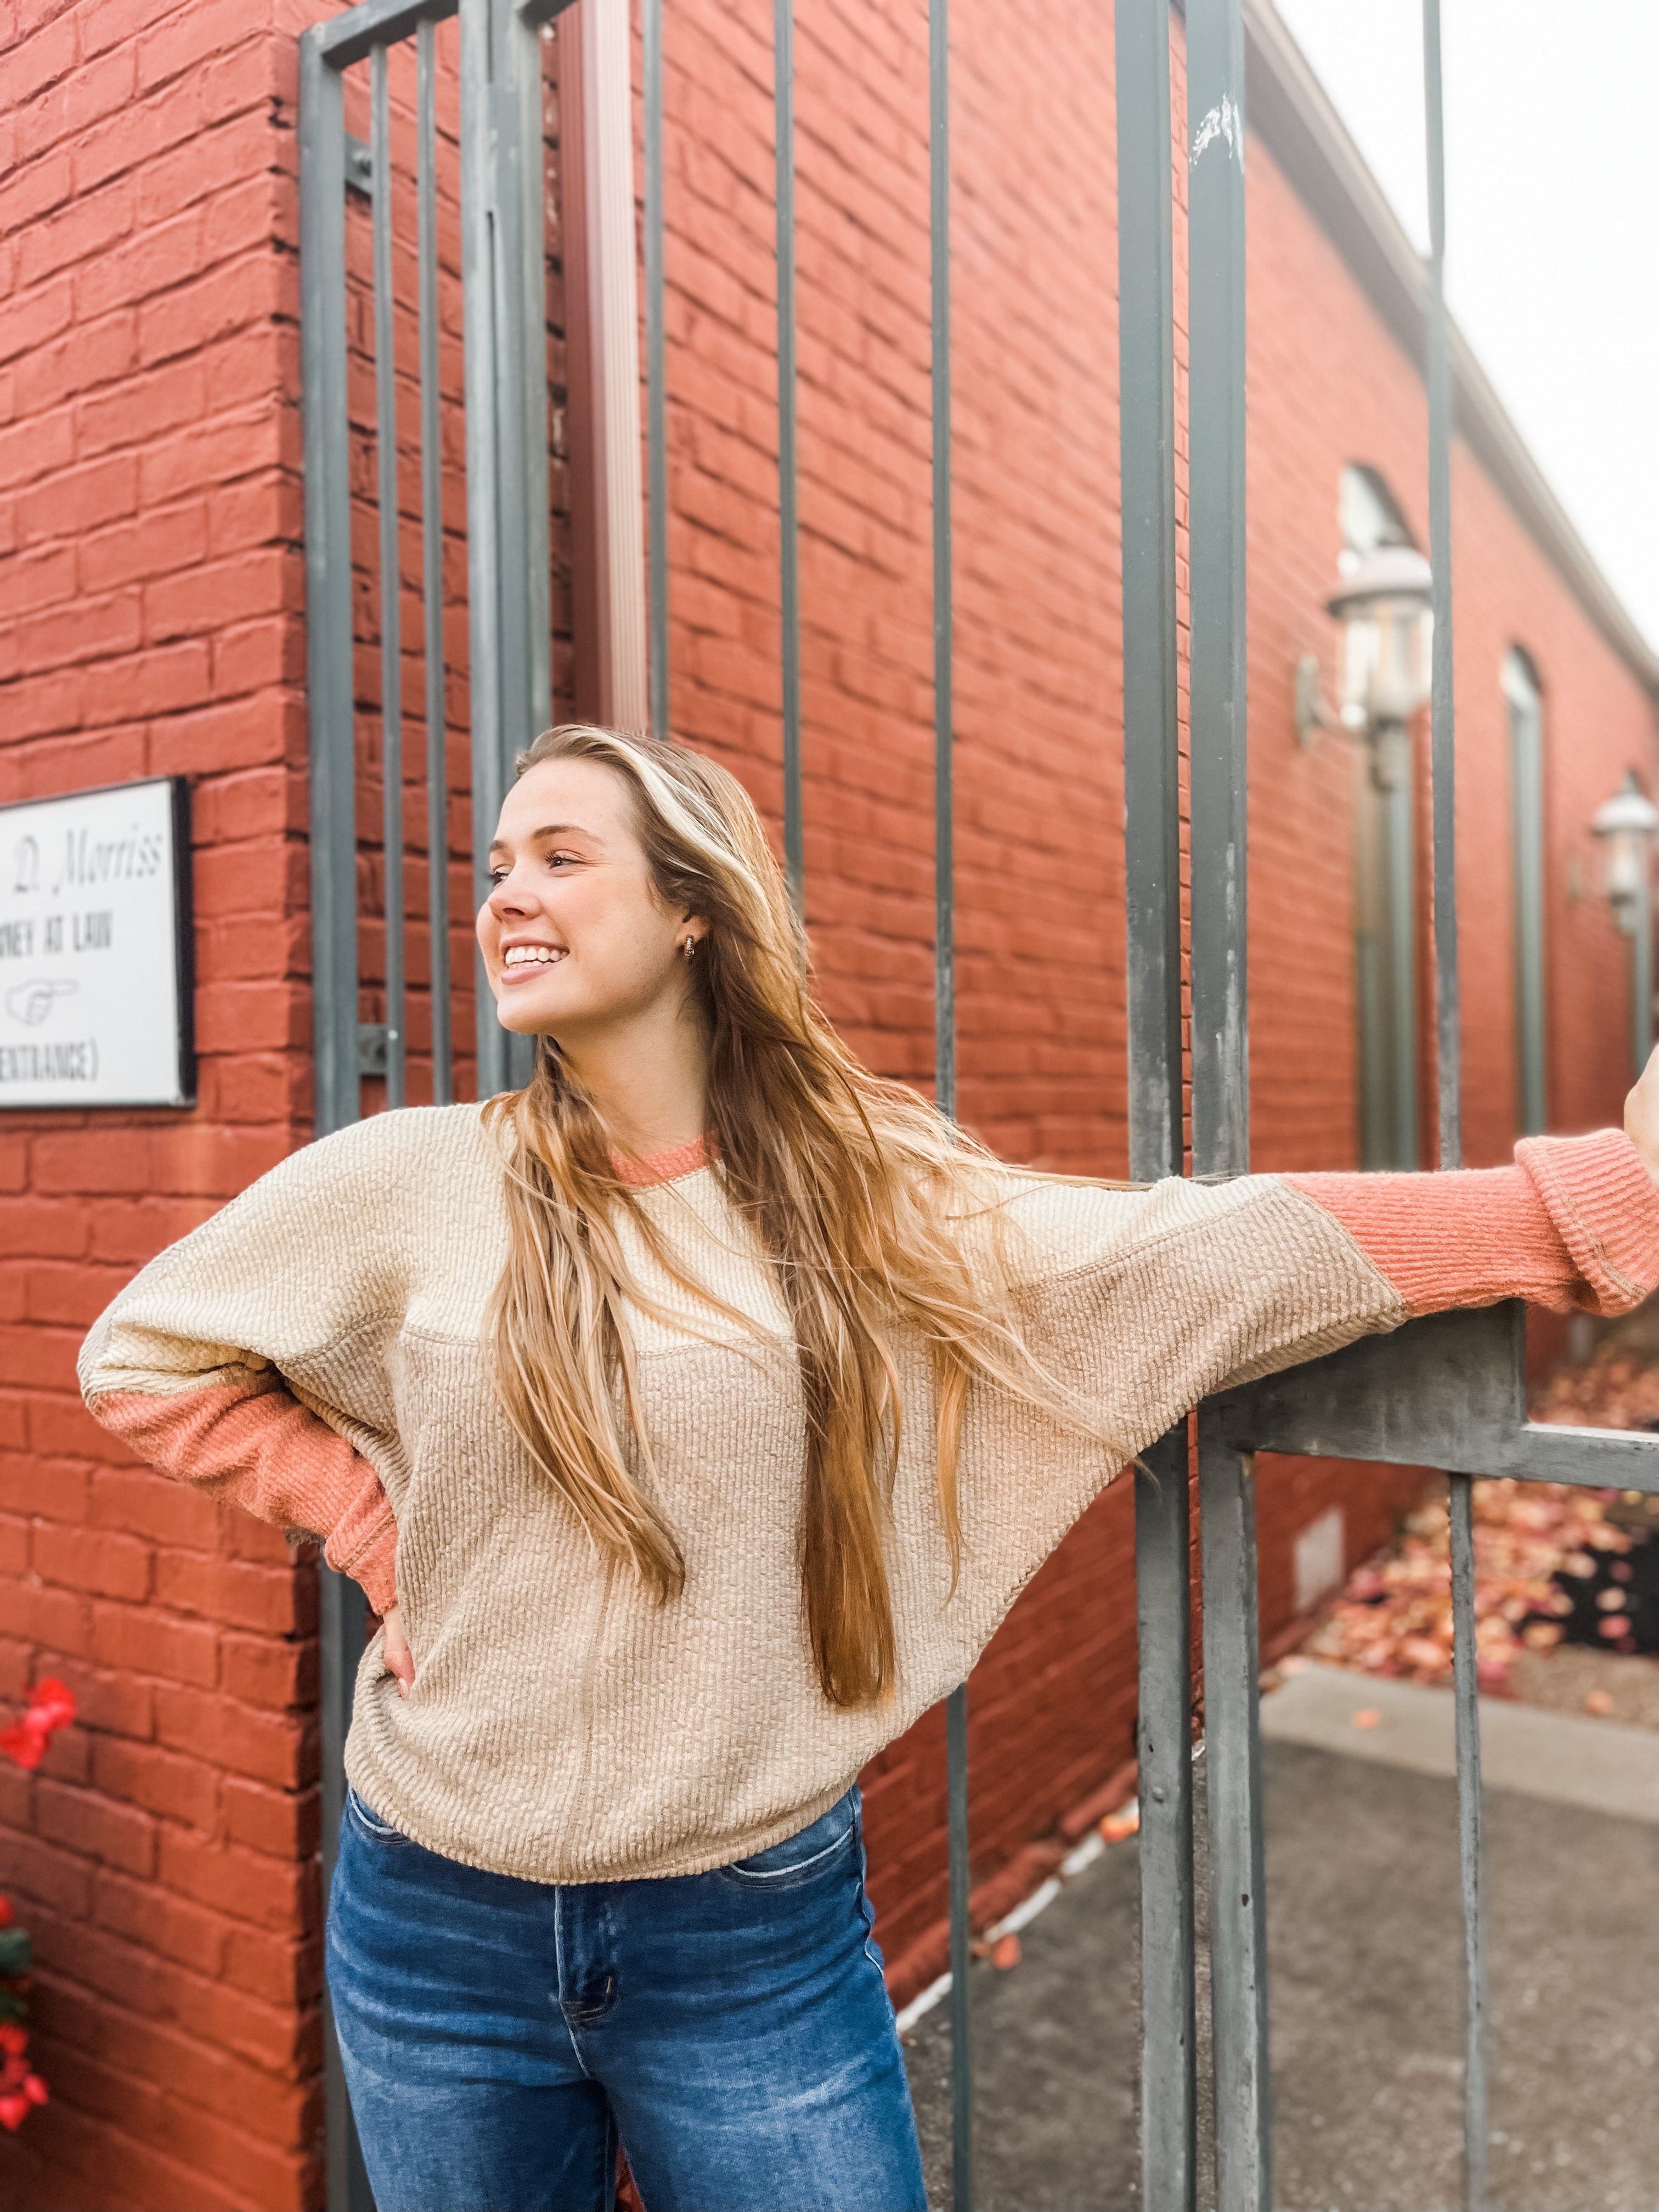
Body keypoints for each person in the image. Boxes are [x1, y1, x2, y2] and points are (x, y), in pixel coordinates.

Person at [81, 723, 1659, 2212]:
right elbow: (141, 1357)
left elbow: (1191, 1256)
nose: (506, 893)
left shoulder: (866, 1200)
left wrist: (1593, 1206)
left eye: (562, 856)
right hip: (430, 1919)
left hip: (744, 1941)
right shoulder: (408, 1180)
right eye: (500, 861)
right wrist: (367, 1520)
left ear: (694, 908)